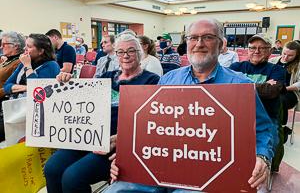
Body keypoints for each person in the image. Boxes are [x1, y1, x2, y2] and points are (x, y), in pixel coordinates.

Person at [105, 18, 276, 192]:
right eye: (193, 38)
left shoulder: (240, 85)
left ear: (221, 44)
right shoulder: (168, 79)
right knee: (115, 190)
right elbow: (147, 124)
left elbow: (263, 129)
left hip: (206, 175)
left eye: (208, 37)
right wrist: (127, 153)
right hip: (158, 166)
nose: (199, 44)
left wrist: (262, 156)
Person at [44, 33, 159, 193]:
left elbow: (151, 122)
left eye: (131, 51)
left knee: (72, 177)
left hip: (120, 143)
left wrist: (120, 140)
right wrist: (66, 84)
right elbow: (82, 101)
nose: (125, 56)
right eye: (120, 52)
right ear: (116, 55)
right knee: (52, 168)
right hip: (89, 136)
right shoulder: (106, 77)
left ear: (140, 54)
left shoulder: (151, 81)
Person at [230, 34, 285, 172]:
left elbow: (271, 91)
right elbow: (227, 88)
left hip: (267, 118)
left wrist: (241, 86)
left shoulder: (277, 70)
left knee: (271, 143)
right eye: (252, 48)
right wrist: (261, 85)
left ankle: (270, 168)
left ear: (270, 51)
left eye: (262, 48)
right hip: (238, 117)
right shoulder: (236, 66)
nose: (256, 51)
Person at [269, 40, 300, 143]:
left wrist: (284, 88)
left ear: (297, 55)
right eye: (284, 54)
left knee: (280, 100)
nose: (285, 58)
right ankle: (266, 127)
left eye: (290, 56)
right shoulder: (273, 61)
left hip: (290, 92)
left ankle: (281, 128)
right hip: (272, 90)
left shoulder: (298, 65)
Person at [0, 31, 25, 141]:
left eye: (4, 44)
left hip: (4, 101)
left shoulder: (19, 62)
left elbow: (13, 86)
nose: (1, 47)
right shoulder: (7, 60)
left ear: (15, 46)